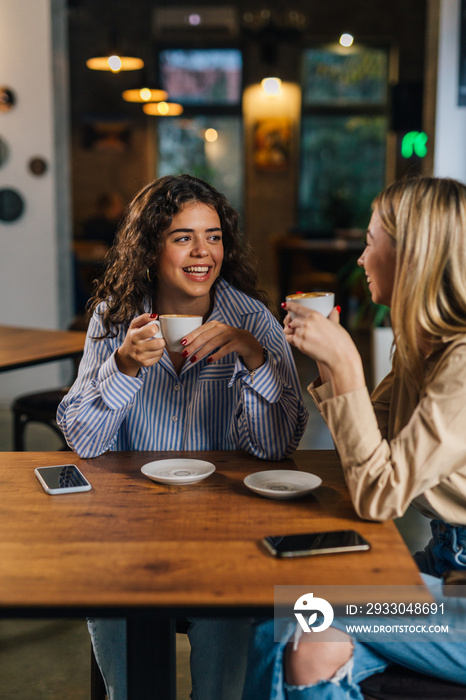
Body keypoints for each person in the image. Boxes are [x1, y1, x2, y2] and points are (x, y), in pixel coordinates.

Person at [57, 173, 308, 700]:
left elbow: (275, 447)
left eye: (213, 236)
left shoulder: (253, 322)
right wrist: (123, 367)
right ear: (151, 249)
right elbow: (83, 438)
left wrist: (253, 356)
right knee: (120, 631)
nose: (203, 253)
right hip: (129, 532)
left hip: (226, 533)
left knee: (226, 664)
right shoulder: (114, 319)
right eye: (183, 237)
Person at [242, 176, 466, 699]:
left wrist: (345, 363)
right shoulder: (421, 350)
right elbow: (363, 448)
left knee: (297, 602)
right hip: (444, 565)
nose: (361, 259)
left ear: (414, 254)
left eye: (371, 242)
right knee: (306, 644)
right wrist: (327, 363)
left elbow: (378, 497)